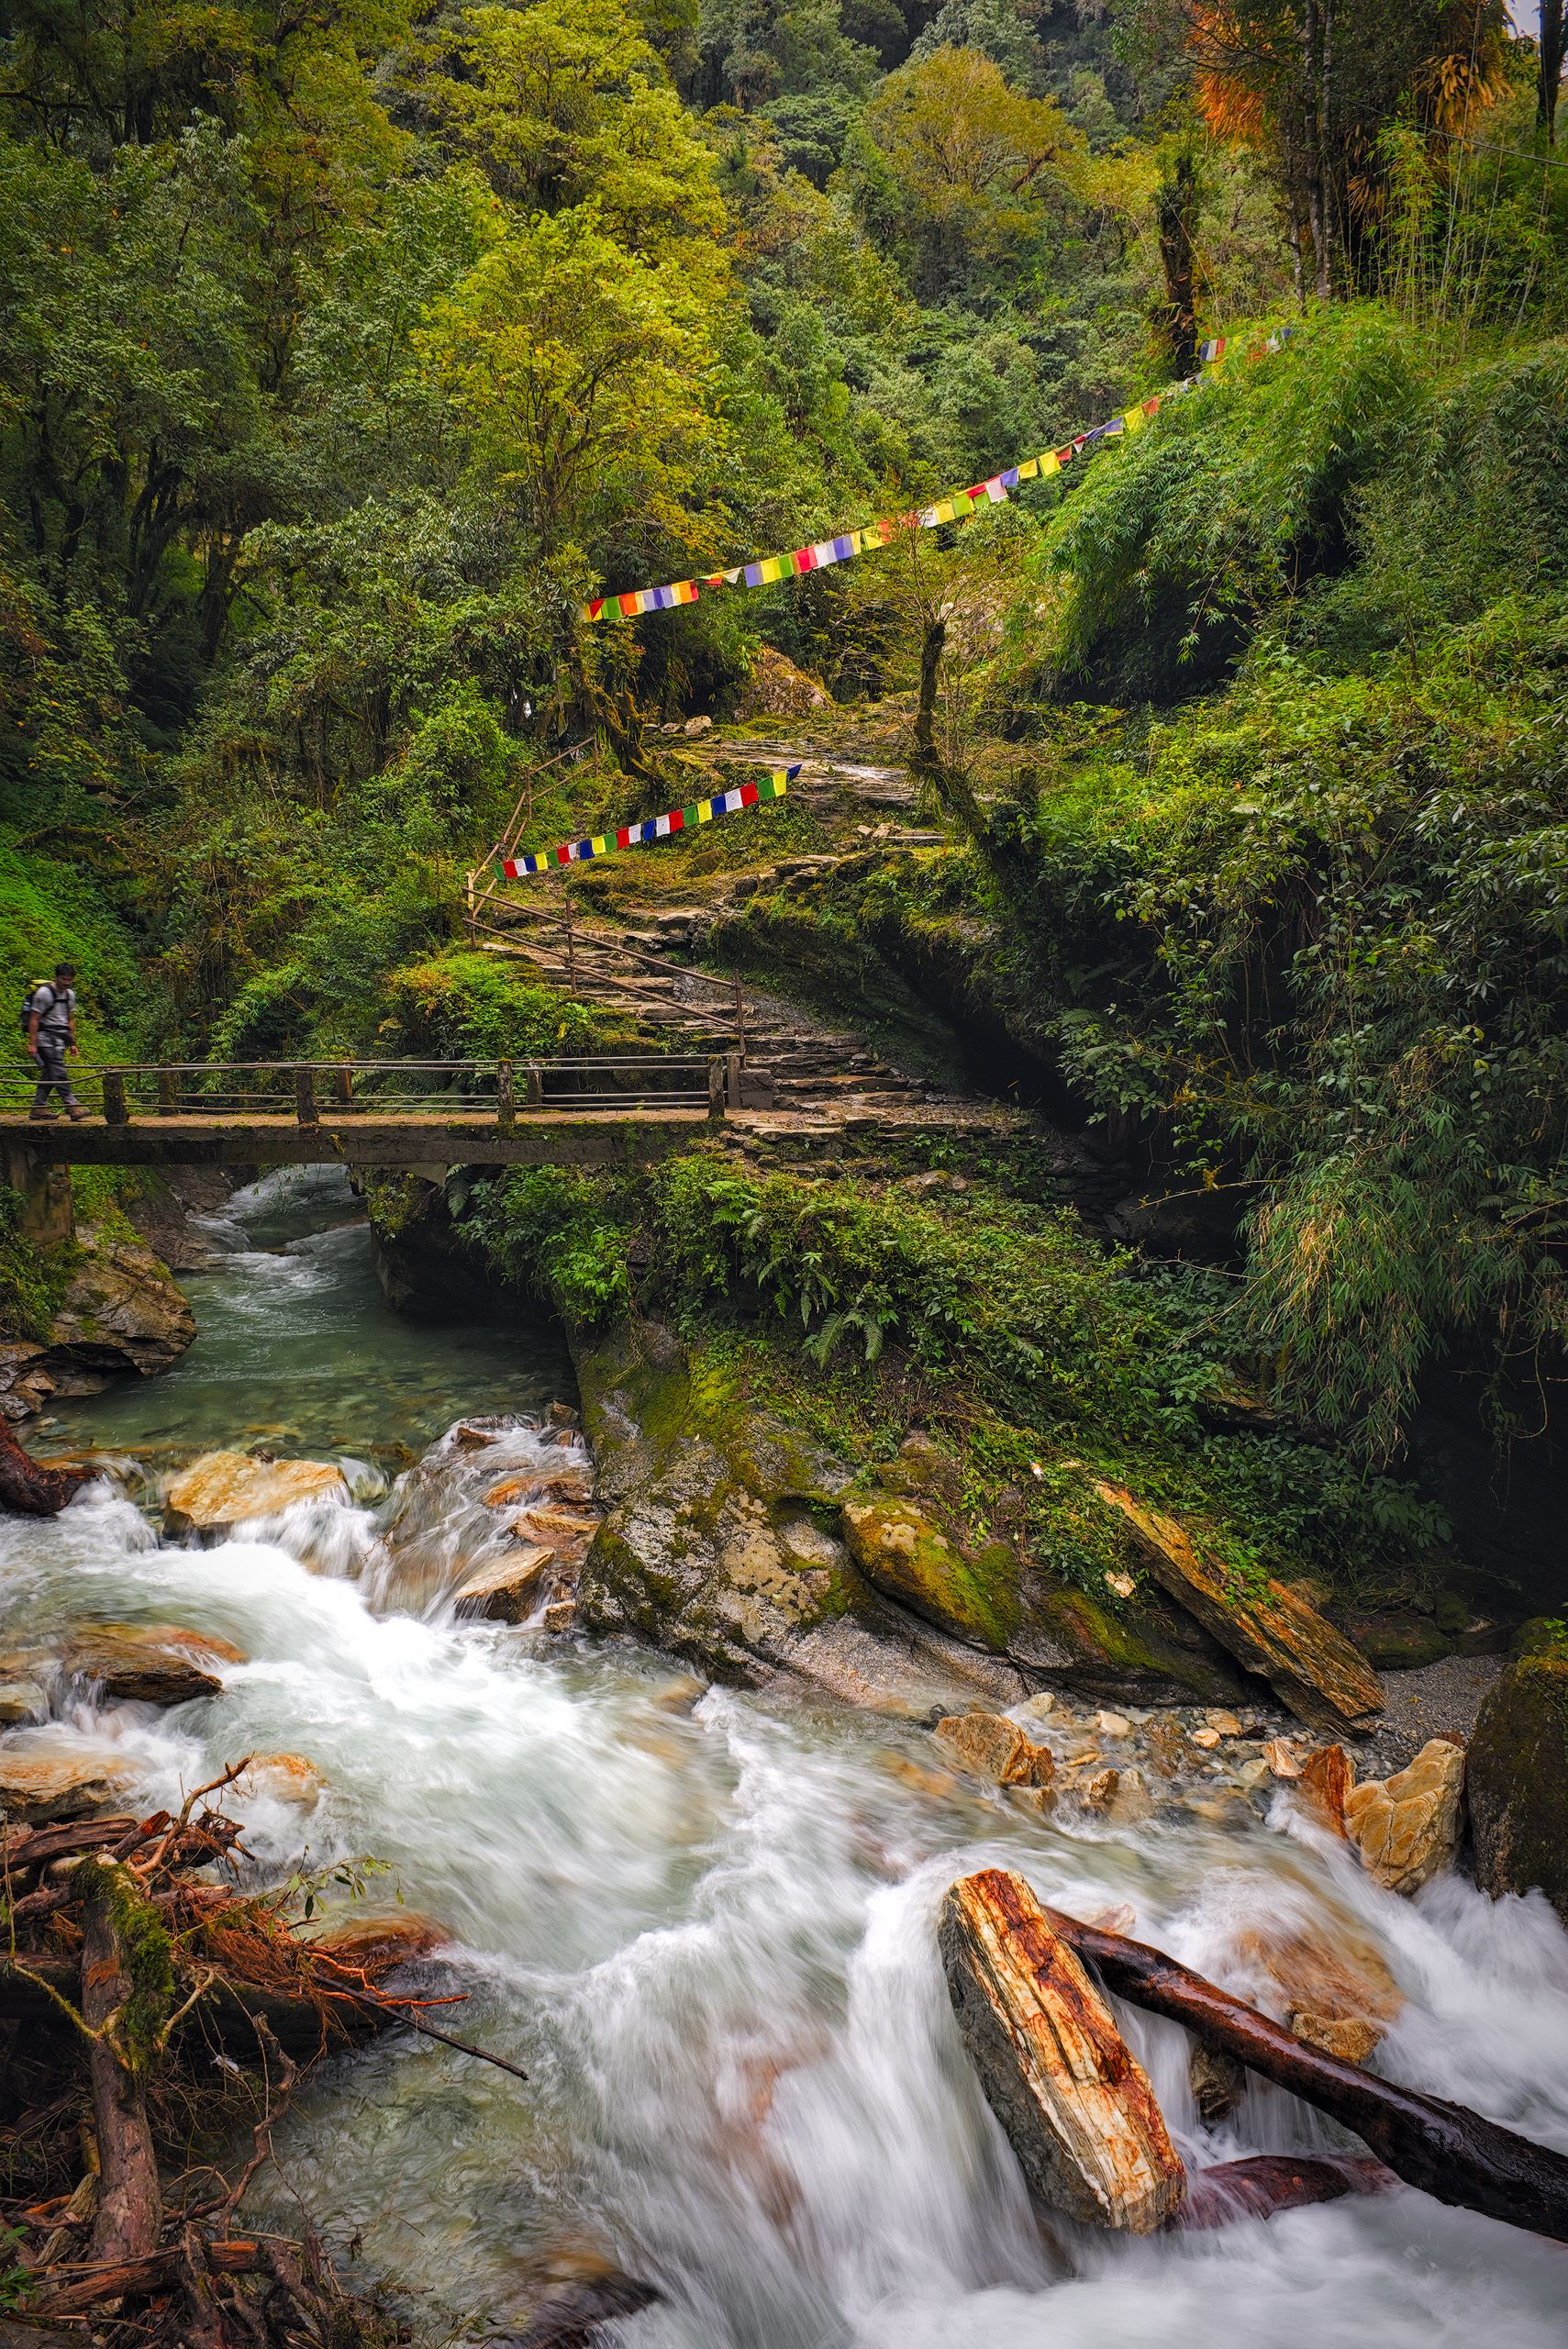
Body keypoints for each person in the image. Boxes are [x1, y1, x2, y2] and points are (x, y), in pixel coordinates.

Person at [27, 963, 87, 1122]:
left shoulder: (70, 995)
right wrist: (32, 1043)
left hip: (60, 1037)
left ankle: (38, 1107)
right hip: (44, 1037)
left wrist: (72, 1043)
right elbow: (34, 1019)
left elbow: (70, 1019)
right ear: (56, 977)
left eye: (69, 979)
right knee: (58, 1069)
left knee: (50, 1071)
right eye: (63, 979)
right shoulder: (44, 994)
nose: (66, 982)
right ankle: (72, 1106)